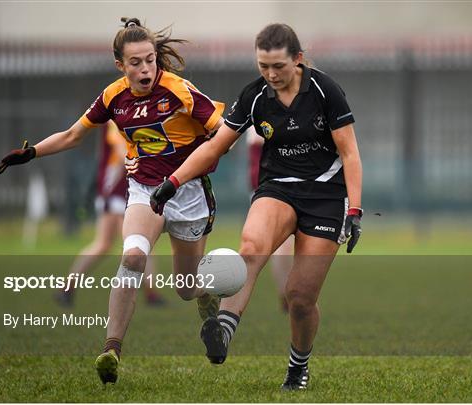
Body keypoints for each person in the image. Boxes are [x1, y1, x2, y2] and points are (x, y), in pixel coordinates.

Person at [0, 17, 225, 385]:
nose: (145, 68)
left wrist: (189, 168)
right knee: (132, 255)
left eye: (150, 60)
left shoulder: (180, 90)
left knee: (185, 287)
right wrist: (32, 152)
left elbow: (222, 131)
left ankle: (206, 301)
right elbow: (73, 135)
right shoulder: (113, 95)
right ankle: (111, 350)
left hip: (188, 192)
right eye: (135, 62)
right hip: (146, 191)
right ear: (120, 64)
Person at [149, 23, 363, 390]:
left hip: (326, 196)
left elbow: (350, 153)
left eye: (278, 66)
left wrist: (355, 211)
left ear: (298, 59)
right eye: (263, 65)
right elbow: (215, 146)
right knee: (250, 249)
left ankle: (298, 368)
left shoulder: (325, 91)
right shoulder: (254, 95)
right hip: (277, 189)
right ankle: (223, 333)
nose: (270, 74)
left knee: (299, 297)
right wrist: (173, 181)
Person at [55, 121, 165, 308]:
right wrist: (147, 164)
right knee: (108, 244)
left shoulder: (138, 112)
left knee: (136, 242)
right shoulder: (117, 115)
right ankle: (68, 287)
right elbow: (121, 149)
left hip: (130, 189)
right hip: (115, 190)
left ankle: (151, 294)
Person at [247, 127, 292, 313]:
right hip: (271, 186)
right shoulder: (261, 113)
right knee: (281, 245)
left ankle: (286, 293)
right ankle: (286, 293)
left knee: (280, 245)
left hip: (271, 185)